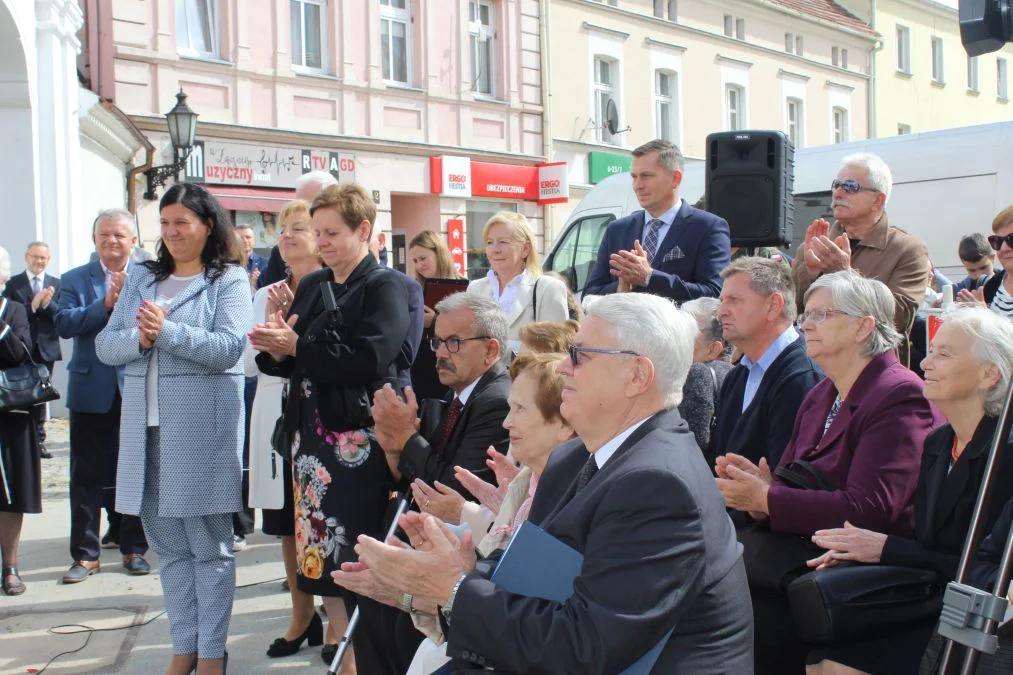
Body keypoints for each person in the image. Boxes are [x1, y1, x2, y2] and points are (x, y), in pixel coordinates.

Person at [337, 292, 755, 673]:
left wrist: (452, 588)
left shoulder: (658, 484)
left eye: (581, 354)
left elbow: (586, 646)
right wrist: (449, 576)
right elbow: (535, 580)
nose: (564, 367)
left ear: (636, 376)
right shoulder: (579, 456)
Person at [716, 270, 942, 675]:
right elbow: (796, 479)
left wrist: (768, 499)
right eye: (808, 314)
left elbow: (871, 509)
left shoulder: (900, 395)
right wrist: (761, 490)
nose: (806, 324)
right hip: (801, 560)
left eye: (822, 315)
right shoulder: (823, 393)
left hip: (858, 578)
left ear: (863, 327)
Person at [250, 182, 410, 673]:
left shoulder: (383, 285)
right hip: (310, 444)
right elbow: (295, 358)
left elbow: (372, 357)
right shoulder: (318, 282)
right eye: (317, 232)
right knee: (319, 559)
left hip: (355, 446)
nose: (322, 242)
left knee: (354, 554)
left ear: (364, 230)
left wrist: (297, 349)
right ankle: (343, 651)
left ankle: (361, 658)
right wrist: (277, 348)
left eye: (332, 233)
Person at [804, 304, 1013, 675]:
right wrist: (865, 550)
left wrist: (884, 548)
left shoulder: (1004, 455)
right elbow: (931, 545)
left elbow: (982, 569)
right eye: (931, 350)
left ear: (989, 374)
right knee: (820, 655)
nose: (926, 363)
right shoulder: (939, 442)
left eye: (944, 354)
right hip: (930, 596)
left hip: (970, 617)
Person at [96, 183, 251, 675]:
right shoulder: (143, 275)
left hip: (202, 431)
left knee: (210, 548)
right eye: (164, 223)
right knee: (170, 550)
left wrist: (166, 332)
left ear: (208, 225)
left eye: (182, 222)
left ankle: (211, 655)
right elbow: (105, 346)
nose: (172, 232)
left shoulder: (228, 279)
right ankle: (184, 647)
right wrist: (140, 341)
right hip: (145, 430)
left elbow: (229, 349)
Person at [401, 352, 576, 674]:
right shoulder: (529, 482)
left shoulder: (571, 492)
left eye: (520, 410)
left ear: (564, 424)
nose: (507, 422)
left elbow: (538, 602)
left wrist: (469, 523)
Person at [243, 199, 330, 659]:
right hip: (274, 411)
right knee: (284, 522)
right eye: (284, 230)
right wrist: (273, 327)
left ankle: (335, 622)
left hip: (319, 416)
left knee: (321, 516)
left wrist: (292, 334)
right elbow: (248, 364)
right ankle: (302, 615)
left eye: (300, 228)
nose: (290, 236)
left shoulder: (333, 287)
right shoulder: (266, 292)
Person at [54, 210, 150, 583]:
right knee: (86, 476)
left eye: (119, 235)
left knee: (135, 472)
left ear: (132, 240)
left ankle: (135, 548)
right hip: (91, 391)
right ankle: (85, 555)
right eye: (104, 235)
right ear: (94, 239)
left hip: (135, 387)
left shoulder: (148, 276)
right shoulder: (75, 278)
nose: (112, 242)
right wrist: (105, 305)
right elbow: (64, 323)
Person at [792, 153, 929, 366]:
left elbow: (897, 319)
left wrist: (845, 274)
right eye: (836, 185)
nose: (838, 192)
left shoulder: (908, 250)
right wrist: (809, 273)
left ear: (878, 200)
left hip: (871, 376)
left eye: (850, 186)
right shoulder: (817, 244)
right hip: (815, 371)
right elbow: (793, 312)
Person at [372, 292, 511, 498]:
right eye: (438, 341)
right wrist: (394, 450)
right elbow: (411, 482)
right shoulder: (456, 394)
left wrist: (405, 435)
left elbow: (452, 492)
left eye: (454, 342)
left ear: (490, 350)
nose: (440, 353)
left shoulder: (498, 404)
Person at [711, 257, 823, 472]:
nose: (721, 311)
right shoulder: (737, 376)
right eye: (722, 300)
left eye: (734, 300)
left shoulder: (803, 377)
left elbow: (793, 481)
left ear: (773, 306)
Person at [584, 139, 731, 301]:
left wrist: (649, 277)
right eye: (634, 177)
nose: (638, 185)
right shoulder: (617, 229)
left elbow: (714, 294)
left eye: (646, 176)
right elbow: (590, 295)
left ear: (675, 178)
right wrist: (621, 287)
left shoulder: (707, 227)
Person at [466, 212, 569, 355]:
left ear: (525, 249)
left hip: (526, 376)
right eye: (489, 242)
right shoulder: (475, 288)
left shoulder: (548, 288)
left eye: (503, 242)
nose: (495, 250)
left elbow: (555, 353)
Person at [0, 247, 39, 596]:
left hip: (8, 415)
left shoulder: (13, 310)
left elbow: (20, 354)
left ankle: (10, 566)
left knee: (9, 494)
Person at [2, 241, 61, 458]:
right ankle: (24, 438)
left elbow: (61, 315)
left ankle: (40, 439)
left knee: (41, 395)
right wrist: (33, 305)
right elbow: (8, 314)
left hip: (46, 348)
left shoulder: (57, 283)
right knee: (21, 394)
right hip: (19, 348)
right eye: (35, 257)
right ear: (26, 257)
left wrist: (47, 304)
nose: (39, 261)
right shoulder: (12, 283)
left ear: (49, 260)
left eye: (43, 258)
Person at [258, 171, 340, 289]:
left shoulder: (347, 247)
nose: (304, 208)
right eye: (299, 200)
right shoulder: (280, 252)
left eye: (314, 203)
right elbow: (269, 292)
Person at [408, 230, 462, 402]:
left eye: (423, 258)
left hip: (451, 362)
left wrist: (434, 322)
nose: (419, 265)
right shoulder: (413, 289)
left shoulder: (464, 286)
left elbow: (467, 328)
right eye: (415, 261)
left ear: (439, 253)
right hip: (419, 364)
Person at [678, 296, 734, 455]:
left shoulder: (698, 374)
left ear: (713, 349)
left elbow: (691, 447)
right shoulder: (737, 374)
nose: (676, 335)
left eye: (688, 330)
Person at [962, 205, 1013, 318]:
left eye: (1012, 239)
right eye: (997, 241)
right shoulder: (991, 285)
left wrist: (987, 319)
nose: (1004, 248)